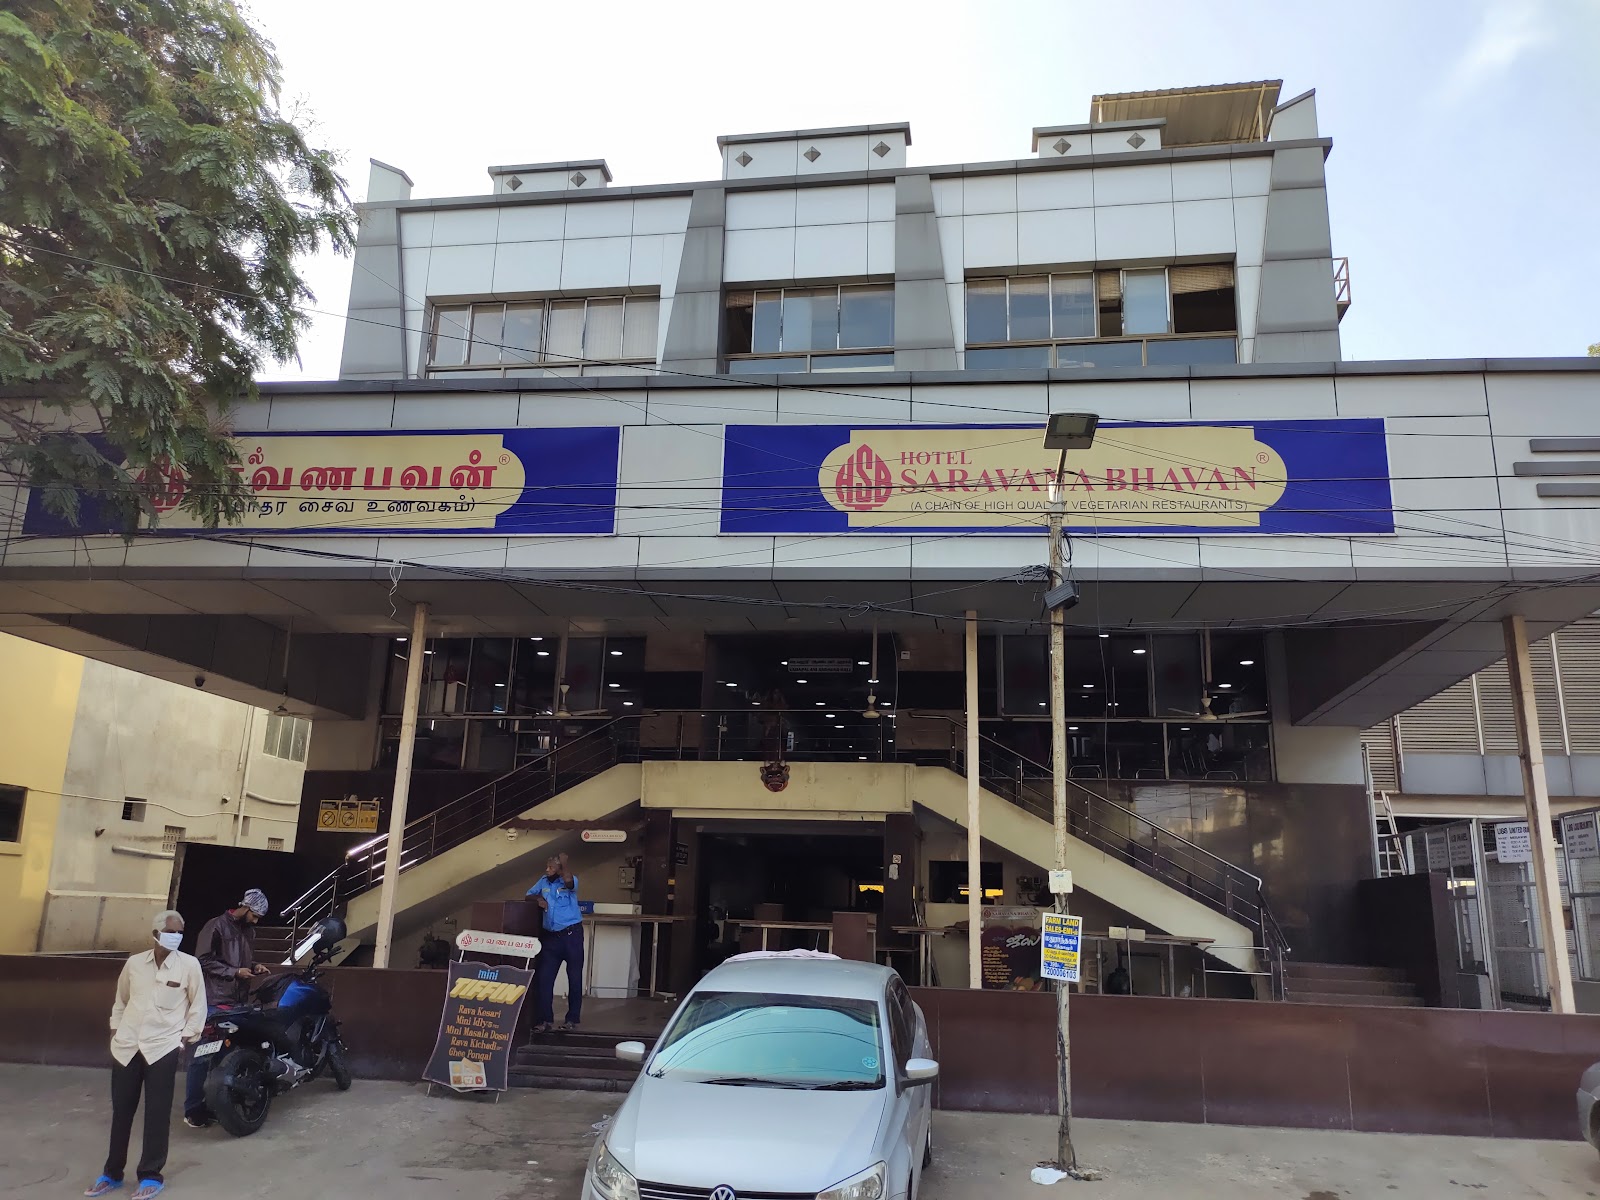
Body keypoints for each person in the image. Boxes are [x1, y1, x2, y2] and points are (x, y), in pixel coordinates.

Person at [84, 909, 205, 1199]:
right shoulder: (135, 964)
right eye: (171, 932)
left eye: (180, 933)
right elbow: (121, 1000)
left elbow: (198, 1004)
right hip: (127, 1047)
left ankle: (150, 1174)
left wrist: (186, 1036)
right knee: (122, 1111)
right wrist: (115, 1030)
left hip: (162, 1047)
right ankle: (112, 1173)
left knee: (157, 1113)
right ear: (155, 934)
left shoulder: (189, 965)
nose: (176, 937)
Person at [182, 888, 270, 1128]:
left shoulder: (248, 931)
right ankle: (193, 1109)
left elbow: (241, 961)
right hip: (214, 1002)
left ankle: (215, 1102)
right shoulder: (216, 926)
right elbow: (202, 960)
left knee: (225, 1056)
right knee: (202, 1055)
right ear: (245, 907)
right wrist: (234, 972)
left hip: (237, 1004)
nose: (256, 921)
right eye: (255, 915)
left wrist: (254, 966)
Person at [527, 852, 583, 1032]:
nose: (547, 869)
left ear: (559, 868)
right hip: (550, 938)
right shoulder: (543, 881)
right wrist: (538, 899)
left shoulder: (569, 880)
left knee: (574, 978)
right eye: (547, 866)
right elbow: (528, 895)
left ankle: (572, 1019)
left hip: (571, 935)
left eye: (551, 867)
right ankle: (545, 1020)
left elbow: (569, 882)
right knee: (545, 978)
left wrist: (564, 864)